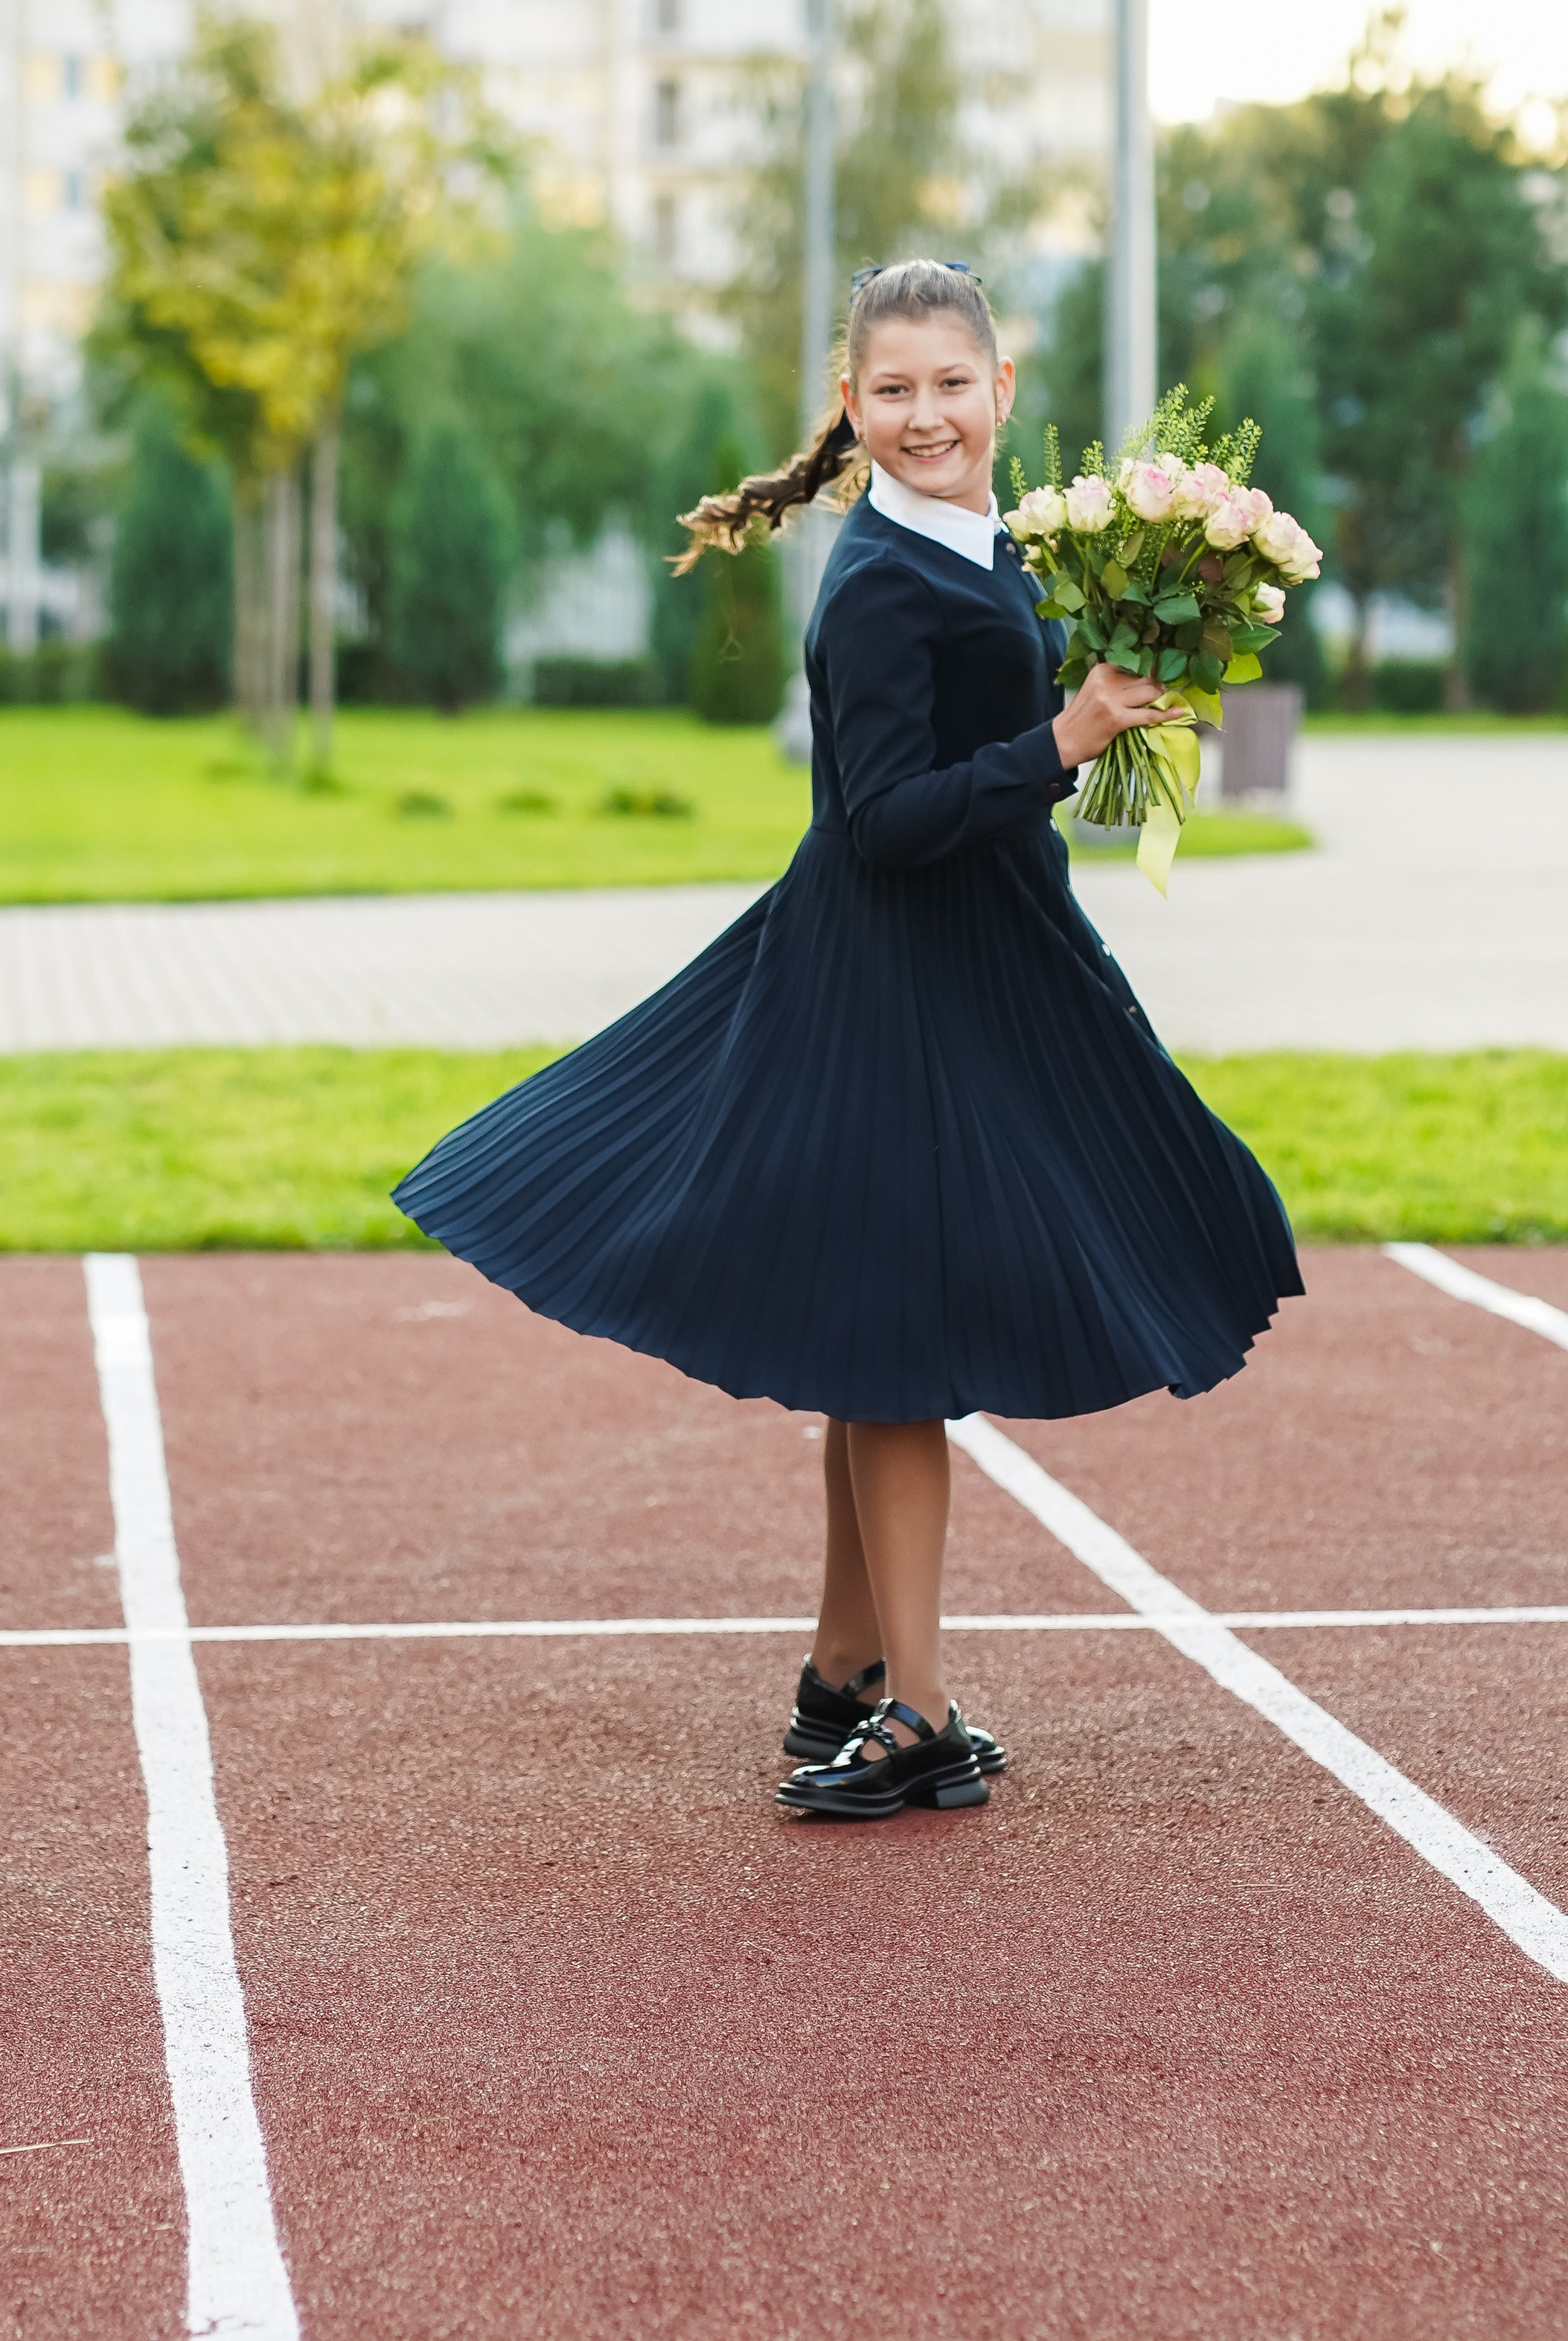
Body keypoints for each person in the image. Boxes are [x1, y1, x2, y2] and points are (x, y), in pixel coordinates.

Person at [394, 258, 1302, 1822]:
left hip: (975, 956)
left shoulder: (995, 545)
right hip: (884, 976)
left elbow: (982, 763)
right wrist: (1066, 737)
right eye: (891, 391)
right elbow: (883, 821)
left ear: (1002, 391)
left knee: (876, 1334)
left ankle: (845, 1668)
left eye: (950, 384)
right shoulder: (880, 582)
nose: (923, 415)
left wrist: (1100, 699)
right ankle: (920, 1716)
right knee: (891, 1349)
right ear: (850, 405)